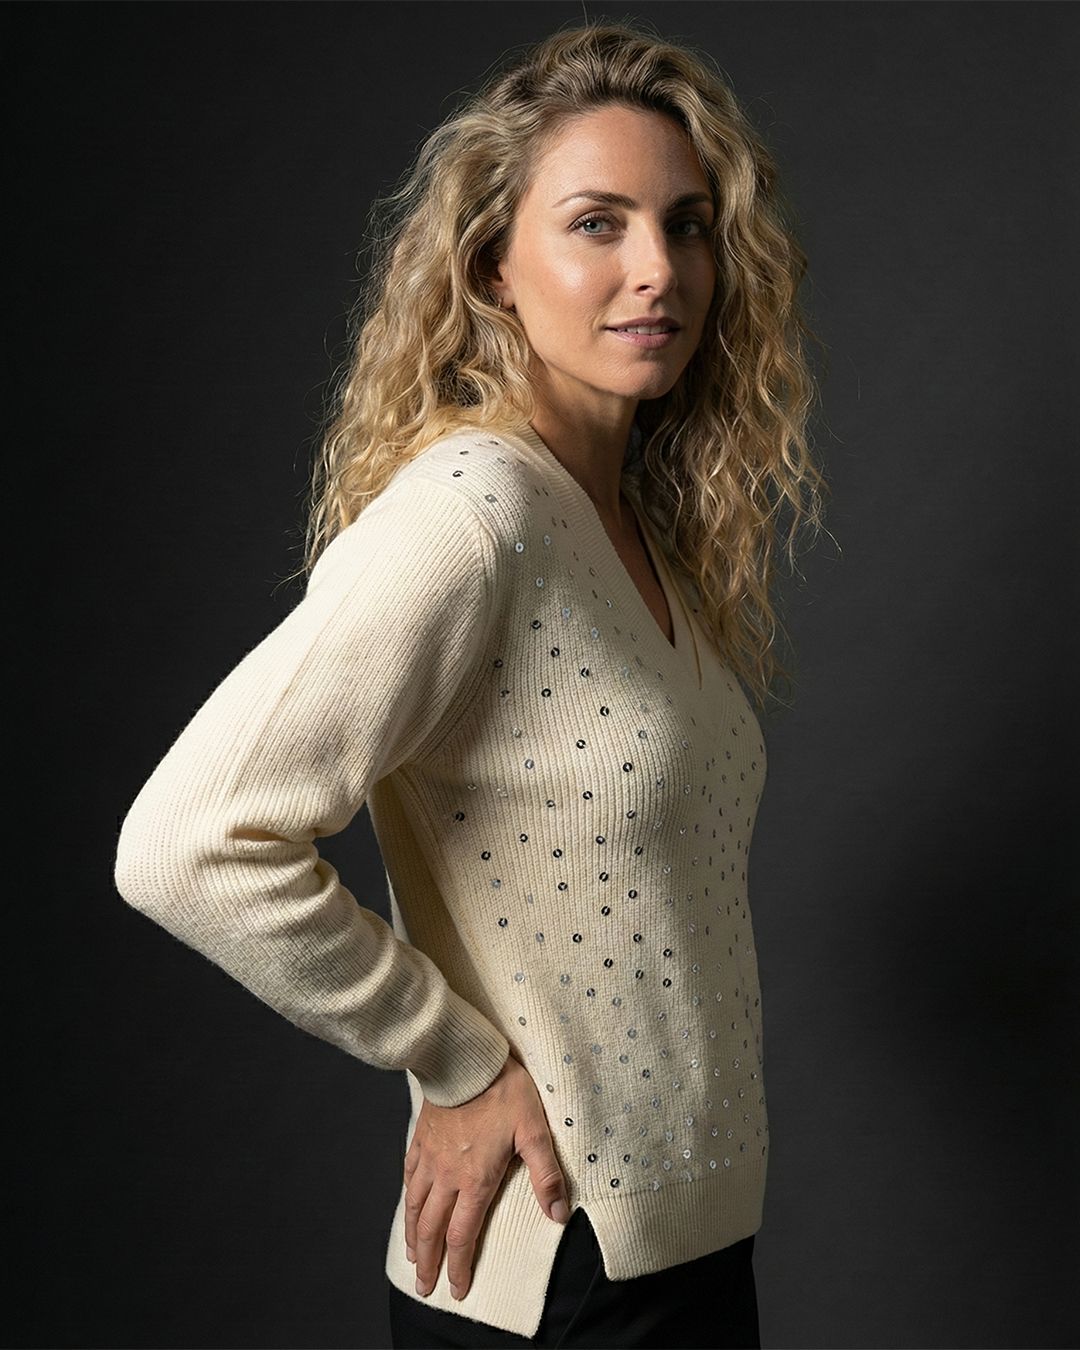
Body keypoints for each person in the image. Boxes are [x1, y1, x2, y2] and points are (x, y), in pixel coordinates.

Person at [114, 19, 827, 1350]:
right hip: (559, 1267)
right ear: (495, 263)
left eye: (686, 226)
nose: (658, 269)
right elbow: (185, 841)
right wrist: (455, 1055)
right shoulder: (474, 510)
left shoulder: (635, 531)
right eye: (597, 224)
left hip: (692, 1247)